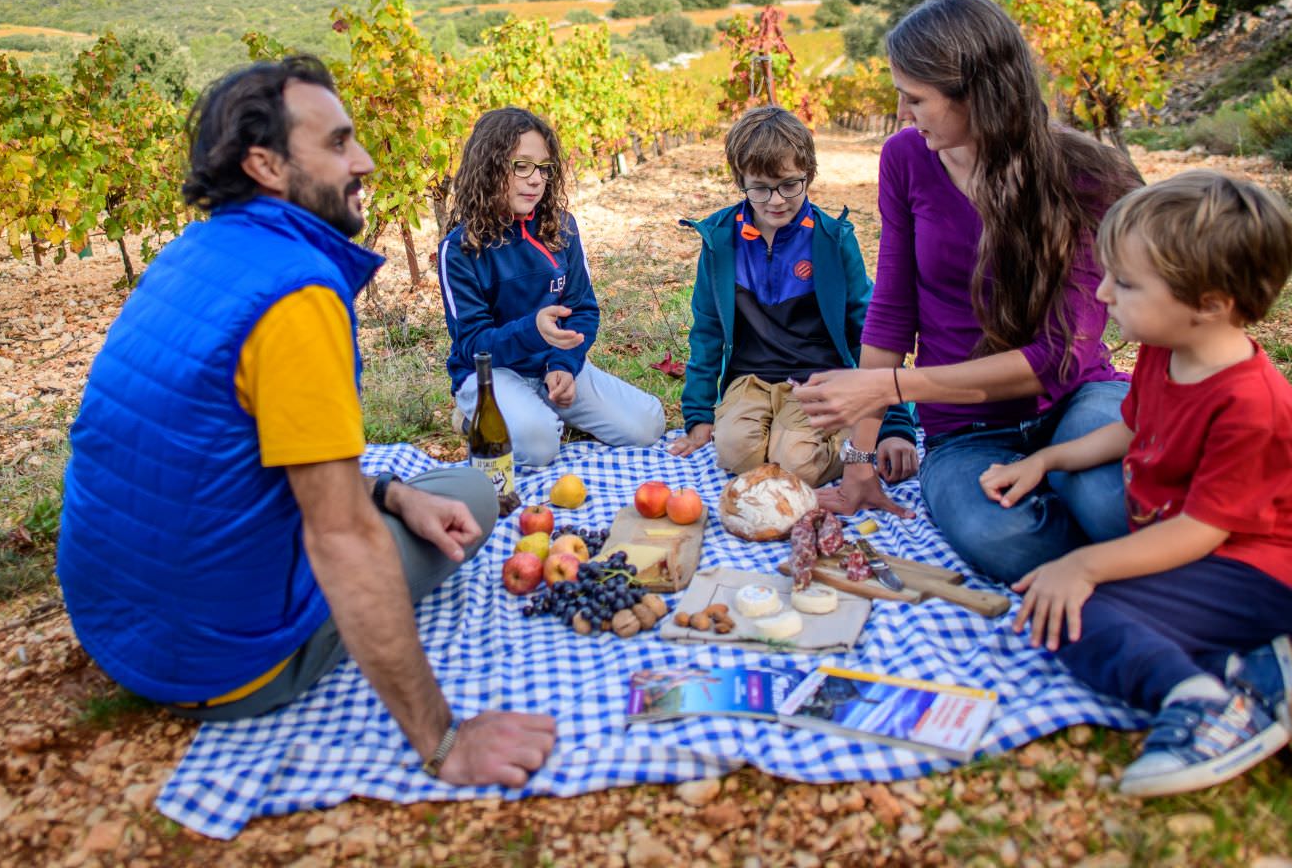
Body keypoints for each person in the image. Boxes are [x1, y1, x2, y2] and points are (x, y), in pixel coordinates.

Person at [57, 57, 555, 787]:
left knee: (415, 488)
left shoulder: (190, 253)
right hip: (224, 663)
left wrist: (386, 493)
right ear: (265, 163)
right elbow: (340, 538)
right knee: (475, 497)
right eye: (338, 144)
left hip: (118, 629)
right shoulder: (299, 295)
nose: (366, 161)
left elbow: (233, 446)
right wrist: (444, 742)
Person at [981, 172, 1292, 797]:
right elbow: (1129, 428)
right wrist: (1048, 460)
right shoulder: (1161, 349)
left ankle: (1202, 704)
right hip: (1204, 561)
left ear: (1210, 303)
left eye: (1126, 282)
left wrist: (1087, 565)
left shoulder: (1253, 408)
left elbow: (1200, 533)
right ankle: (1250, 671)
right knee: (1059, 609)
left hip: (1264, 580)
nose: (1103, 292)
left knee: (1071, 607)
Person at [793, 0, 1144, 576]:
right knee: (1001, 536)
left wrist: (891, 387)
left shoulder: (1083, 174)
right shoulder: (907, 157)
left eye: (916, 98)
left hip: (1078, 399)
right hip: (964, 432)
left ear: (977, 94)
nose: (903, 113)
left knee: (1110, 503)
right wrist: (858, 459)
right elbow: (892, 309)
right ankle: (1130, 562)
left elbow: (1061, 357)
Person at [668, 105, 919, 484]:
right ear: (741, 181)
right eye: (760, 188)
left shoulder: (832, 240)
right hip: (749, 381)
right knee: (734, 451)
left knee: (798, 465)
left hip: (817, 380)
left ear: (809, 175)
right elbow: (707, 331)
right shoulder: (721, 242)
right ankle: (780, 435)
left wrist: (895, 424)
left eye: (789, 184)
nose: (776, 201)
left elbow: (868, 329)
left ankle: (839, 429)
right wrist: (699, 415)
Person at [437, 107, 666, 468]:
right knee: (541, 447)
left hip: (550, 368)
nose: (536, 180)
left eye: (543, 168)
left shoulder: (562, 228)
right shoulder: (461, 248)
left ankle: (540, 408)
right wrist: (534, 330)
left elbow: (583, 309)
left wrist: (563, 363)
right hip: (490, 374)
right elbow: (472, 344)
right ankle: (474, 418)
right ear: (489, 167)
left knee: (648, 425)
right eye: (521, 165)